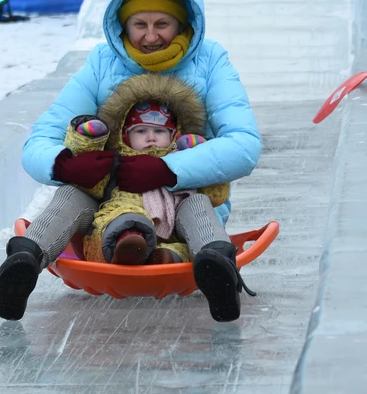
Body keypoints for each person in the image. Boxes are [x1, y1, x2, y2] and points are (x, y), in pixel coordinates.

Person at [0, 0, 262, 323]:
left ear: (184, 23)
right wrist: (65, 165)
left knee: (195, 206)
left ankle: (214, 262)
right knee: (72, 194)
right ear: (123, 23)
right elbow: (42, 137)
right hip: (110, 197)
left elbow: (244, 145)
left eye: (162, 24)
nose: (151, 37)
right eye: (140, 24)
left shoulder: (210, 60)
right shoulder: (103, 62)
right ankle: (25, 260)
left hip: (182, 196)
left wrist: (169, 170)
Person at [52, 74, 232, 267]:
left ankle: (195, 256)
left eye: (160, 131)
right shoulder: (118, 160)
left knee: (197, 204)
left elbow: (216, 194)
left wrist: (198, 154)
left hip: (173, 236)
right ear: (125, 134)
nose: (151, 138)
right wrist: (88, 142)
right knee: (126, 215)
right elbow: (90, 185)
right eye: (141, 131)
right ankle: (130, 242)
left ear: (174, 134)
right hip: (117, 230)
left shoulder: (183, 162)